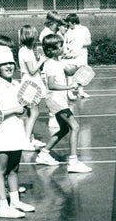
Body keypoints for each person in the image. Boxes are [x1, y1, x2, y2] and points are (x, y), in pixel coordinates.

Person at [0, 45, 37, 217]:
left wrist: (23, 109)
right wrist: (14, 109)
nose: (8, 66)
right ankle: (3, 207)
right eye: (4, 64)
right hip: (1, 132)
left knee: (14, 168)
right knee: (1, 169)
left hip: (15, 130)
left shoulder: (16, 84)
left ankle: (15, 202)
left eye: (11, 63)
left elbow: (21, 106)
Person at [39, 33, 92, 173]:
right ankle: (73, 162)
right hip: (55, 100)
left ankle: (43, 154)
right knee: (75, 127)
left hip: (58, 100)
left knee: (64, 129)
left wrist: (79, 66)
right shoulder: (50, 65)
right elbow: (51, 85)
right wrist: (69, 87)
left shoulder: (58, 62)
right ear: (51, 50)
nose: (63, 48)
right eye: (59, 46)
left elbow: (69, 71)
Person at [17, 24, 50, 155]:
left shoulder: (27, 50)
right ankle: (26, 141)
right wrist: (42, 60)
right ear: (30, 37)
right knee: (34, 113)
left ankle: (31, 138)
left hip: (31, 82)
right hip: (30, 84)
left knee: (31, 113)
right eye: (35, 35)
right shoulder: (25, 51)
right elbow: (31, 70)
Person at [62, 13, 92, 99]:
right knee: (70, 73)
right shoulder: (68, 31)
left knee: (82, 73)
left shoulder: (84, 29)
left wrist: (79, 45)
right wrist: (67, 51)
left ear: (73, 22)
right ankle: (70, 92)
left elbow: (89, 42)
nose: (68, 25)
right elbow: (65, 44)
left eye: (69, 23)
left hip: (82, 55)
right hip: (71, 56)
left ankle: (80, 92)